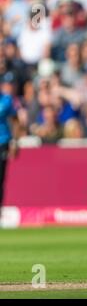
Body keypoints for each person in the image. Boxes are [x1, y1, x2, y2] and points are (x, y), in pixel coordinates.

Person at [0, 76, 21, 225]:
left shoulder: (6, 100)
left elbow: (14, 121)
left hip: (3, 141)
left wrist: (14, 141)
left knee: (0, 178)